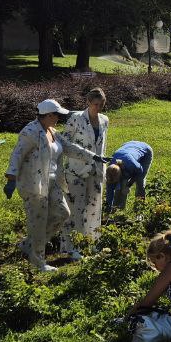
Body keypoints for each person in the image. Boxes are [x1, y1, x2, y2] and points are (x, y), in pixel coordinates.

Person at [6, 99, 102, 272]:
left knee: (62, 213)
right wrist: (11, 179)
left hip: (53, 182)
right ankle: (39, 262)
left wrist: (92, 156)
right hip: (34, 185)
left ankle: (29, 245)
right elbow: (17, 155)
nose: (59, 118)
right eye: (57, 115)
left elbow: (69, 148)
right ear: (48, 115)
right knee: (38, 222)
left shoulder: (52, 131)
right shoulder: (30, 132)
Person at [61, 87, 110, 260]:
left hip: (96, 171)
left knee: (94, 208)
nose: (98, 107)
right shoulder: (76, 119)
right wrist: (84, 155)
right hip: (76, 171)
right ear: (88, 103)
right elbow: (64, 143)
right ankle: (72, 247)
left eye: (101, 104)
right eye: (95, 104)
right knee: (76, 209)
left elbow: (102, 145)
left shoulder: (104, 120)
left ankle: (91, 243)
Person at [106, 141, 153, 210]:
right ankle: (116, 208)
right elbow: (110, 190)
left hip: (145, 151)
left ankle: (139, 210)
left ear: (120, 174)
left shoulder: (131, 164)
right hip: (128, 147)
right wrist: (108, 208)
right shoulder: (111, 169)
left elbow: (139, 171)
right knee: (122, 182)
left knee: (140, 181)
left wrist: (128, 185)